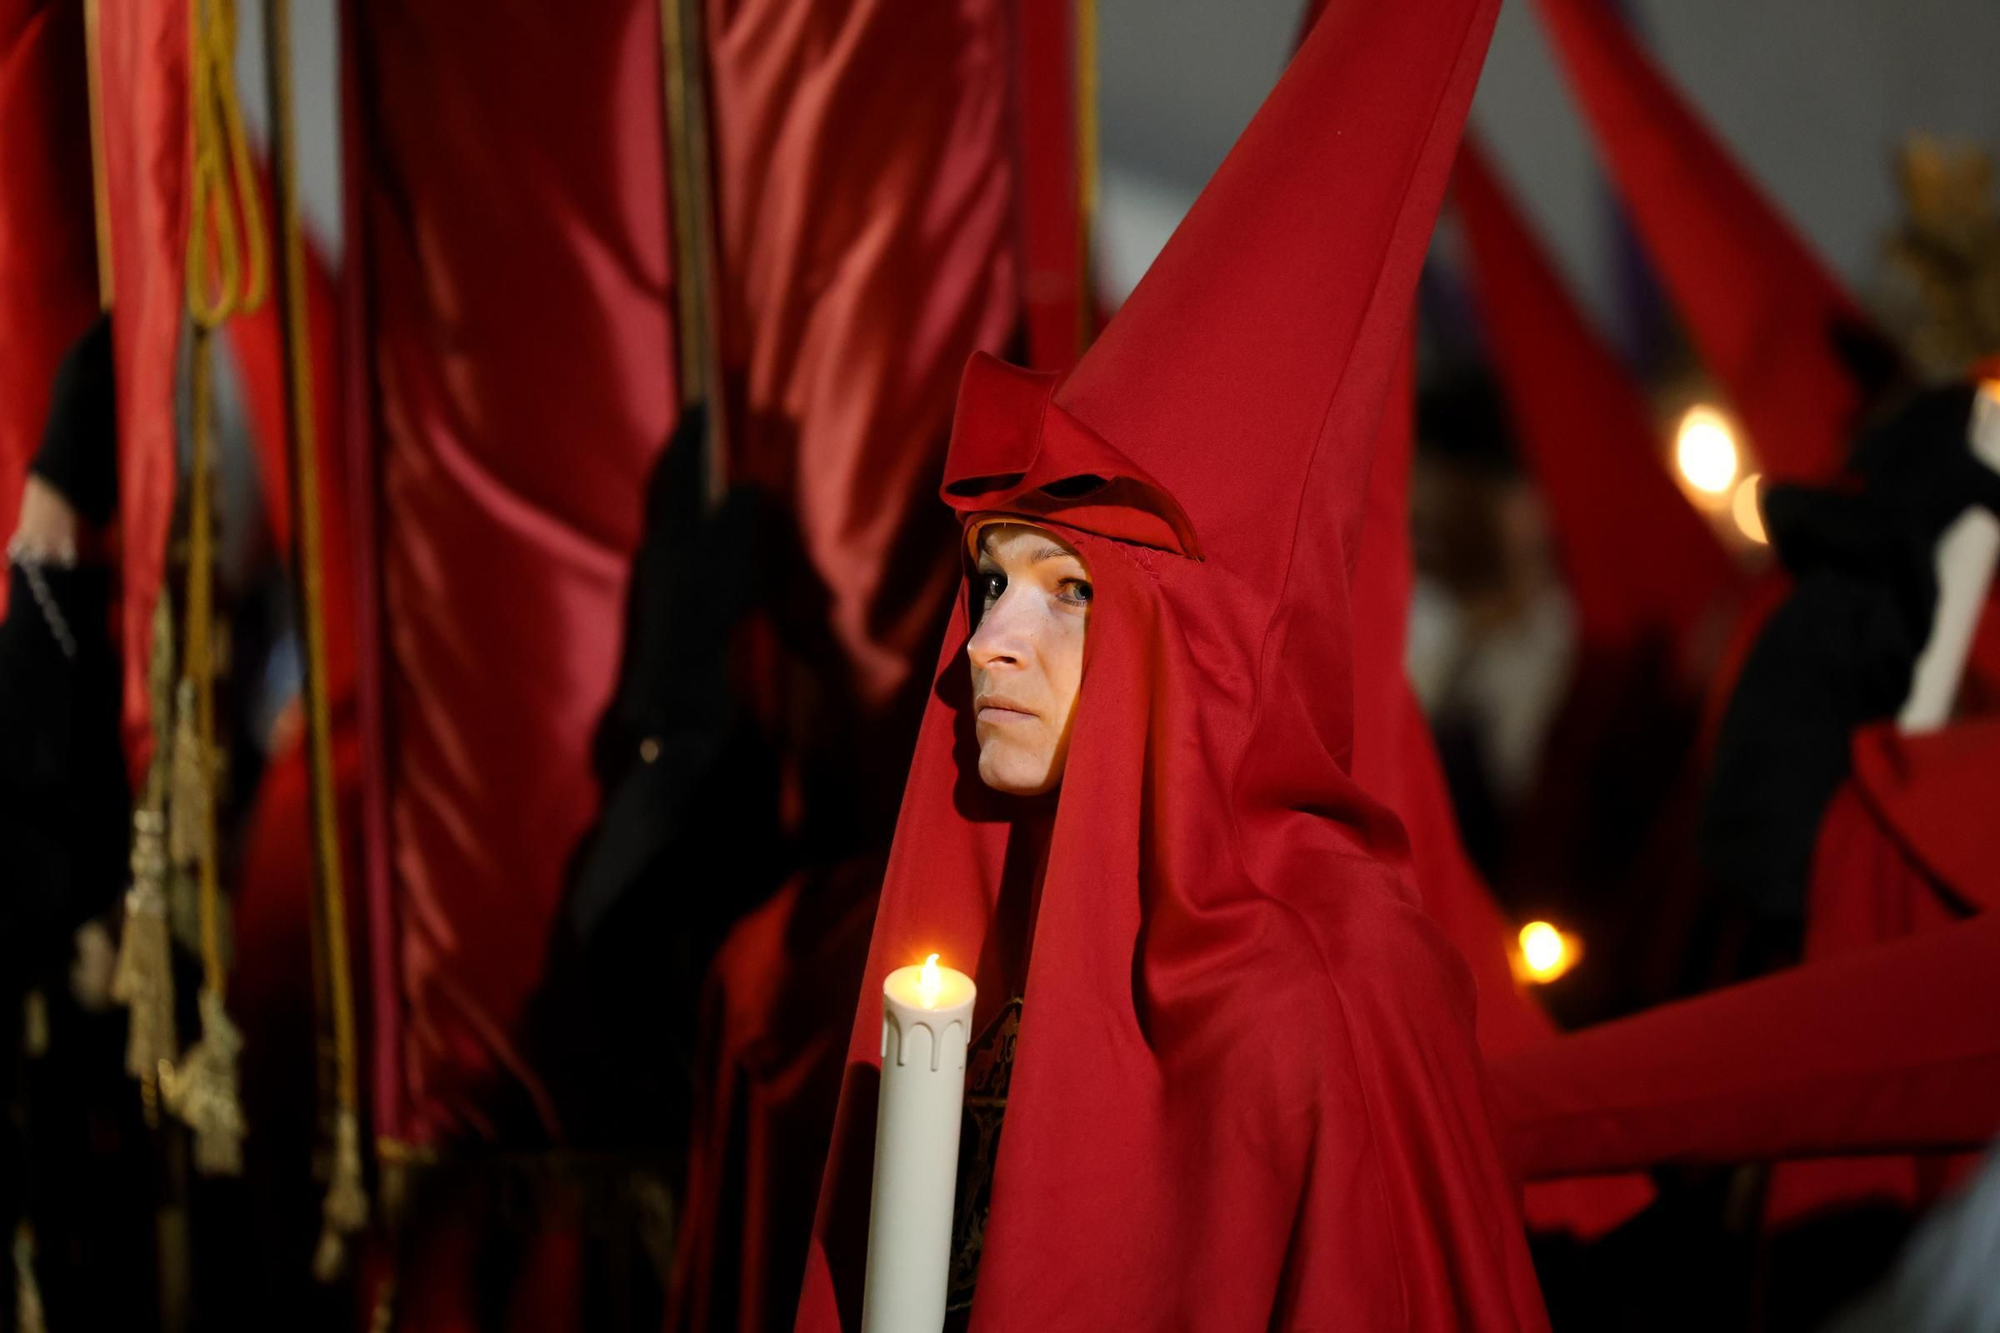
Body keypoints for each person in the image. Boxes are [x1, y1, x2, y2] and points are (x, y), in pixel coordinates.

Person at [794, 0, 1547, 1325]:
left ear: (1189, 655)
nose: (988, 648)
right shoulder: (989, 946)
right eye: (988, 583)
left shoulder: (1316, 999)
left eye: (1070, 592)